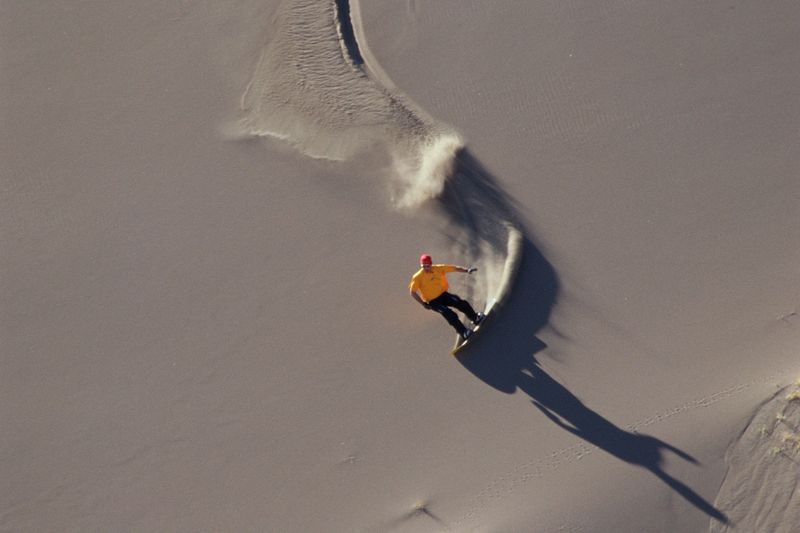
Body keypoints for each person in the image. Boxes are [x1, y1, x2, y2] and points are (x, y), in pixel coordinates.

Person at [409, 254, 485, 340]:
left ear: (431, 263)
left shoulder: (438, 268)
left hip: (443, 295)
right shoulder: (417, 277)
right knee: (448, 313)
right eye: (423, 266)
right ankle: (463, 332)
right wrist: (423, 304)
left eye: (428, 265)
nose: (426, 268)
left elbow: (454, 268)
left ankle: (475, 318)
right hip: (433, 302)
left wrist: (467, 270)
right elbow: (413, 292)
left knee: (460, 303)